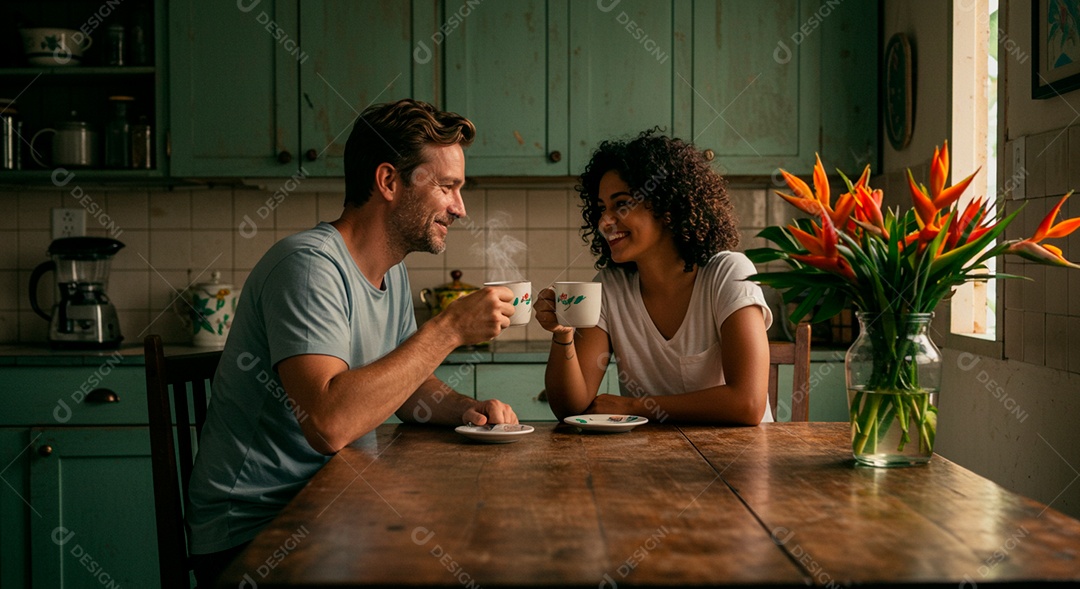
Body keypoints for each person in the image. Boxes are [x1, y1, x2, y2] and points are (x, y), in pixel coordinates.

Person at [186, 99, 519, 585]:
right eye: (447, 187)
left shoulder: (392, 273)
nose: (459, 208)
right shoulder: (308, 267)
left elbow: (405, 386)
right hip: (259, 531)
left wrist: (466, 409)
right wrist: (448, 329)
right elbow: (328, 424)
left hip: (336, 505)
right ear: (388, 181)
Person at [536, 129, 773, 424]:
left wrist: (635, 406)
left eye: (622, 204)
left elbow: (748, 404)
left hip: (738, 451)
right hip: (650, 452)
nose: (604, 221)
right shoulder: (610, 287)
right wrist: (563, 334)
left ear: (667, 207)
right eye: (601, 209)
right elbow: (570, 408)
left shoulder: (727, 274)